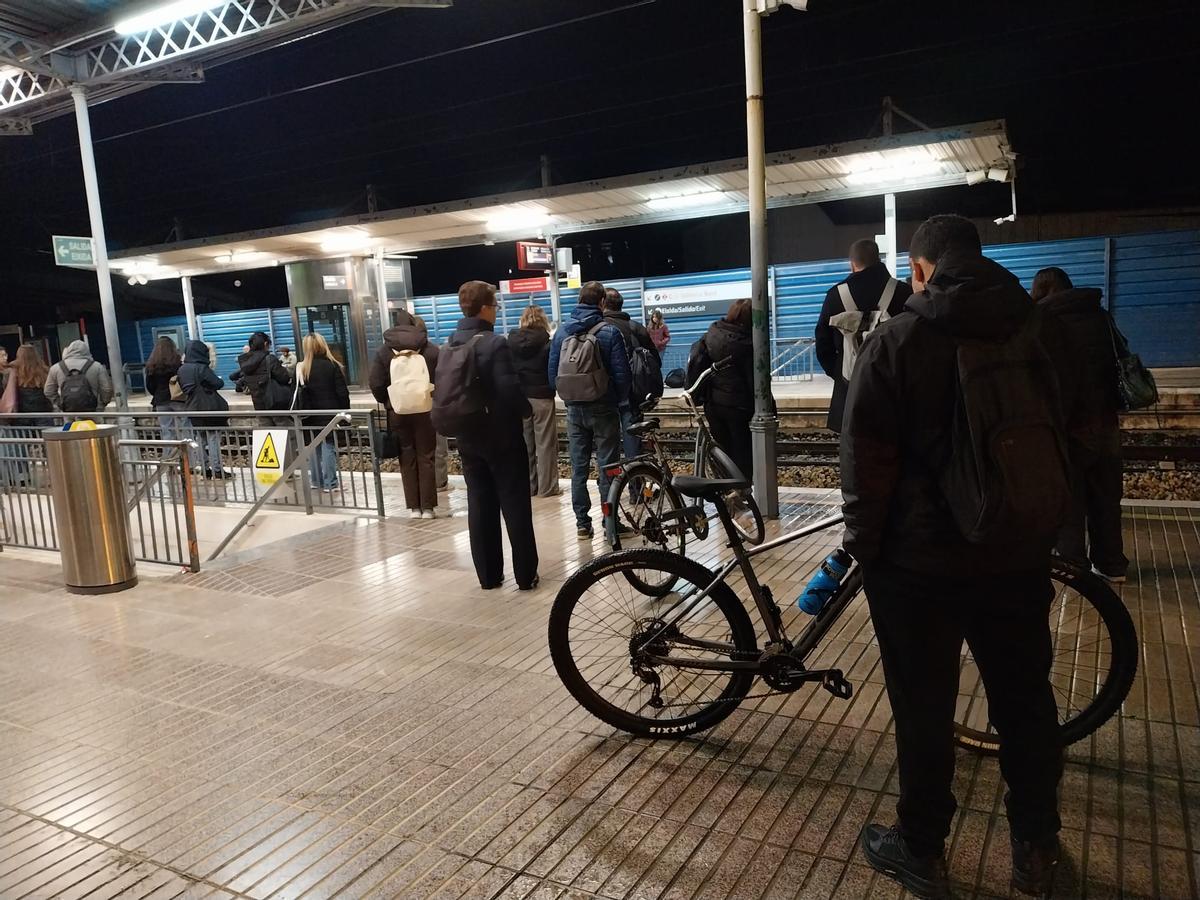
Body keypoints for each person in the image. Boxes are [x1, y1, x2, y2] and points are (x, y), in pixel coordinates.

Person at [843, 215, 1064, 898]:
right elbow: (1063, 433)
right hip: (1015, 552)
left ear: (919, 268)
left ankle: (921, 848)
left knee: (925, 706)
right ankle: (1037, 847)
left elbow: (866, 461)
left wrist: (864, 551)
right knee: (1025, 701)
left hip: (919, 566)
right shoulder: (1032, 328)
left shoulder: (900, 339)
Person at [439, 281, 538, 590]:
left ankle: (489, 576)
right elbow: (508, 389)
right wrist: (526, 410)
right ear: (484, 308)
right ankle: (524, 575)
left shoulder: (450, 343)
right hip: (502, 436)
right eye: (495, 305)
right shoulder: (495, 343)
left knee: (479, 504)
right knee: (515, 504)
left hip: (467, 435)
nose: (496, 311)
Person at [1031, 266, 1128, 583]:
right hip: (1106, 421)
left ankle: (1073, 564)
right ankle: (1112, 564)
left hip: (1069, 425)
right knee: (1106, 497)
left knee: (1070, 499)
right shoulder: (1101, 317)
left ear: (1042, 291)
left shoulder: (1045, 322)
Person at [548, 280, 631, 540]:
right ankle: (610, 523)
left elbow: (553, 376)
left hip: (574, 410)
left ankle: (583, 524)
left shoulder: (561, 333)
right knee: (609, 467)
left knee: (578, 469)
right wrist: (618, 400)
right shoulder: (608, 332)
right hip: (604, 408)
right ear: (602, 302)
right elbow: (622, 376)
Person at [814, 239, 913, 433]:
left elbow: (822, 345)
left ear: (852, 263)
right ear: (878, 260)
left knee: (854, 455)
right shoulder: (903, 292)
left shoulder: (835, 296)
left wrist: (839, 372)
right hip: (895, 394)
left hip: (849, 394)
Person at [368, 309, 440, 517]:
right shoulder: (430, 350)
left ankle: (414, 509)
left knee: (406, 455)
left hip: (398, 411)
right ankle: (428, 508)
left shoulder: (384, 352)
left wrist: (388, 400)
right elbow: (442, 377)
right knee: (427, 456)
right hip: (426, 408)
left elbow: (376, 382)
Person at [696, 299, 758, 479]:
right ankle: (741, 492)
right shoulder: (746, 343)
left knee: (722, 451)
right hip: (738, 406)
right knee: (742, 453)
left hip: (713, 404)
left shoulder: (712, 333)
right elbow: (753, 379)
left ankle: (725, 491)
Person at [602, 287, 660, 464]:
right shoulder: (635, 328)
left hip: (603, 394)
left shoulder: (598, 328)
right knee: (632, 440)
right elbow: (654, 360)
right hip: (631, 394)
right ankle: (636, 486)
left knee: (605, 443)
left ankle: (610, 487)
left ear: (603, 304)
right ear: (621, 305)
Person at [508, 305, 561, 497]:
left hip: (520, 399)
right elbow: (552, 370)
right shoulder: (548, 343)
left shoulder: (511, 342)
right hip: (542, 398)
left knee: (525, 445)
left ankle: (529, 487)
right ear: (543, 321)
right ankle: (548, 488)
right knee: (546, 445)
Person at [295, 332, 350, 493]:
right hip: (330, 414)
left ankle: (316, 481)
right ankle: (330, 483)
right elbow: (342, 393)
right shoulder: (333, 365)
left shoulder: (301, 368)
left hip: (308, 415)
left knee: (313, 448)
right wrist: (344, 412)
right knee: (328, 447)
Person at [177, 339, 230, 478]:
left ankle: (205, 469)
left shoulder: (182, 369)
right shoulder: (201, 367)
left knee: (200, 439)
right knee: (213, 438)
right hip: (209, 408)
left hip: (192, 408)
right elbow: (218, 383)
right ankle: (217, 470)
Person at [233, 332, 293, 425]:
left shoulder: (245, 362)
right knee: (286, 430)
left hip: (258, 404)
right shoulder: (269, 359)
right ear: (265, 344)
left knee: (266, 432)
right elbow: (284, 378)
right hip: (274, 402)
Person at [44, 339, 114, 413]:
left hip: (68, 413)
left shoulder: (56, 368)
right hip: (93, 411)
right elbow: (107, 389)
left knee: (70, 425)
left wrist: (61, 404)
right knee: (93, 424)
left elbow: (48, 391)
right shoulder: (97, 366)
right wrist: (100, 405)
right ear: (87, 351)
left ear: (69, 350)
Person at [143, 336, 187, 445]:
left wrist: (157, 393)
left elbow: (149, 385)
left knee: (166, 430)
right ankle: (188, 457)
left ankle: (170, 458)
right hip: (178, 399)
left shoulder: (151, 365)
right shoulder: (177, 362)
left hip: (161, 400)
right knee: (186, 429)